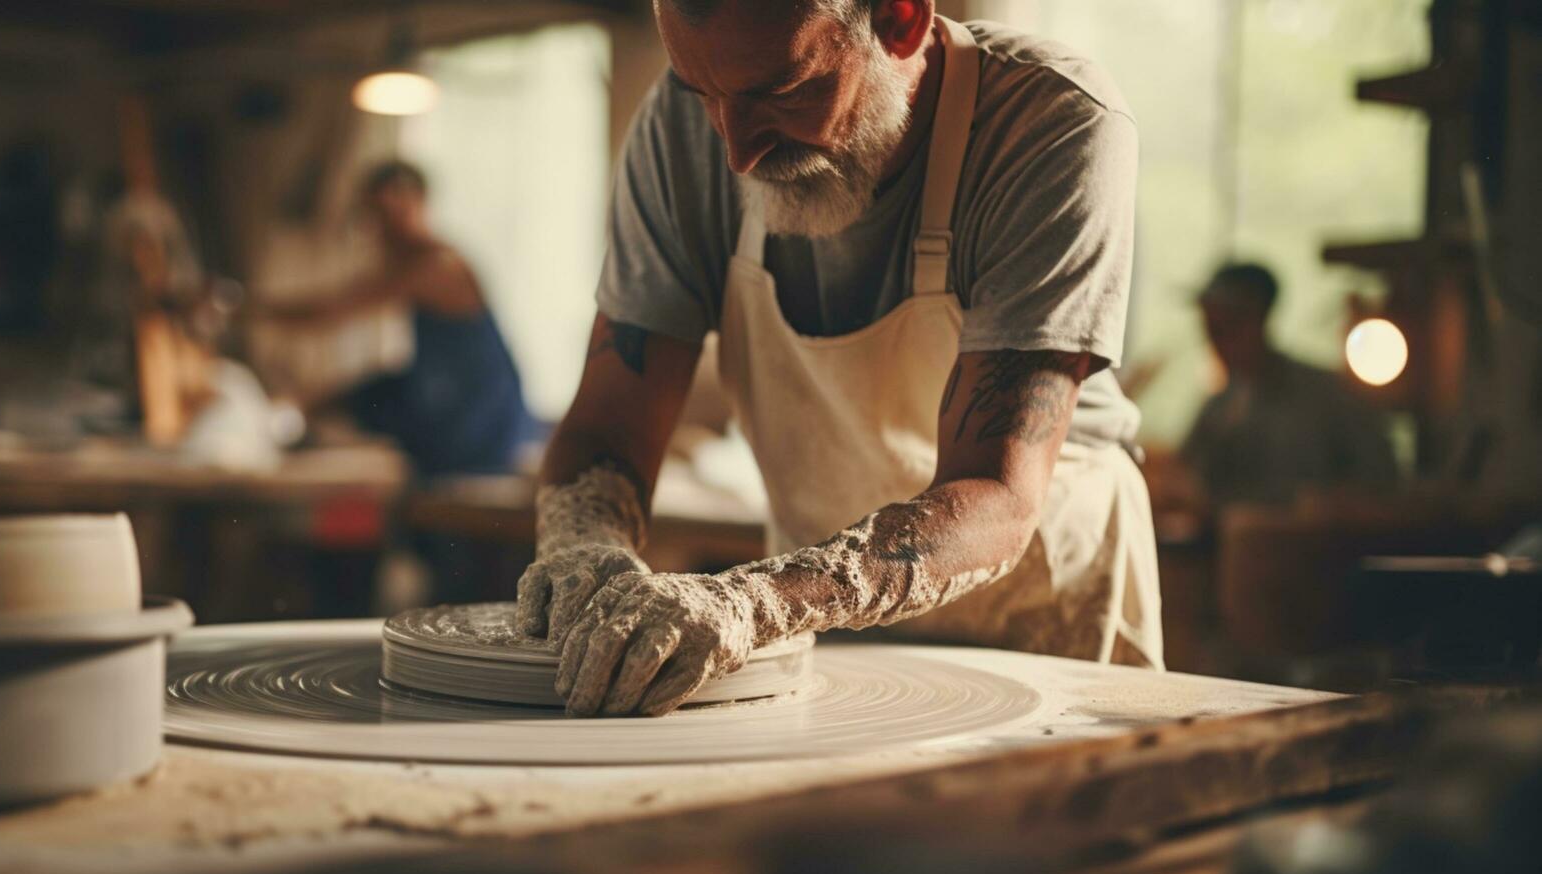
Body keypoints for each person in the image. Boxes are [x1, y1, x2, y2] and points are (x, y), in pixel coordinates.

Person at [517, 0, 1163, 717]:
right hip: (814, 618)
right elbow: (609, 429)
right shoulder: (680, 128)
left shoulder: (1047, 121)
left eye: (783, 91)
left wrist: (751, 600)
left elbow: (997, 492)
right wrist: (587, 554)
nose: (735, 151)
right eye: (706, 96)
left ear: (901, 20)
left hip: (1040, 617)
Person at [265, 161, 534, 478]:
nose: (379, 230)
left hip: (478, 422)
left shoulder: (436, 266)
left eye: (385, 215)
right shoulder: (421, 262)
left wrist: (239, 310)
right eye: (373, 217)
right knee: (355, 395)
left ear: (414, 204)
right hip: (456, 405)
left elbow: (327, 312)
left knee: (357, 402)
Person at [1181, 262, 1398, 507]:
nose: (1217, 343)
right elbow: (1187, 479)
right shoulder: (1219, 408)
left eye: (1227, 328)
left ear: (1258, 320)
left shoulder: (1328, 396)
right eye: (1212, 330)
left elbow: (1381, 481)